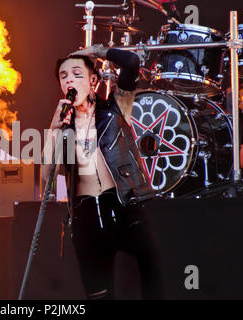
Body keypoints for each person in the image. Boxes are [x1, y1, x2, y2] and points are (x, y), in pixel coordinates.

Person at [41, 46, 163, 300]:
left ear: (93, 80)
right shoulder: (63, 127)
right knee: (98, 293)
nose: (69, 81)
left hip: (123, 202)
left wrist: (97, 50)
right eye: (64, 77)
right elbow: (47, 181)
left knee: (151, 263)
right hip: (85, 214)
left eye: (76, 73)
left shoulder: (115, 109)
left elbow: (131, 62)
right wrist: (52, 130)